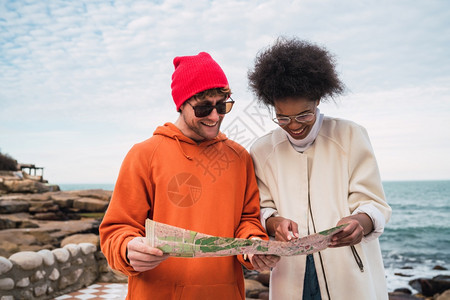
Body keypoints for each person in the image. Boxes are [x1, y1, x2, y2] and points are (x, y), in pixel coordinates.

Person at [99, 52, 279, 300]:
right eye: (204, 107)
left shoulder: (239, 157)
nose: (215, 116)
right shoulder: (144, 154)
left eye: (222, 105)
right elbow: (117, 230)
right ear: (181, 104)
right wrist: (127, 248)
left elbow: (248, 220)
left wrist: (253, 245)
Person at [247, 37, 392, 300]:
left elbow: (373, 204)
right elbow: (260, 208)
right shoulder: (262, 150)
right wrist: (274, 222)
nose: (293, 125)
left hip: (348, 273)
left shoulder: (350, 136)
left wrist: (360, 223)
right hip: (291, 275)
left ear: (318, 100)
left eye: (304, 115)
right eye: (282, 117)